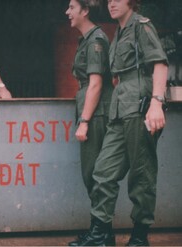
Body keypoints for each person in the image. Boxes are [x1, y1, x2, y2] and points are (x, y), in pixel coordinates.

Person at [72, 0, 168, 246]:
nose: (112, 3)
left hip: (139, 108)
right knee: (102, 172)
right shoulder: (118, 33)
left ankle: (139, 236)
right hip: (118, 110)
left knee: (141, 173)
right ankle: (100, 234)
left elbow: (159, 64)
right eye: (109, 0)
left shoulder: (141, 26)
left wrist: (156, 102)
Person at [64, 0, 113, 245]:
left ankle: (100, 236)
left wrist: (84, 120)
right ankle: (103, 233)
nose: (67, 12)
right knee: (91, 174)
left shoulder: (96, 40)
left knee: (95, 174)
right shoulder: (87, 39)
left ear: (85, 11)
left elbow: (96, 84)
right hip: (91, 110)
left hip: (96, 113)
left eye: (72, 7)